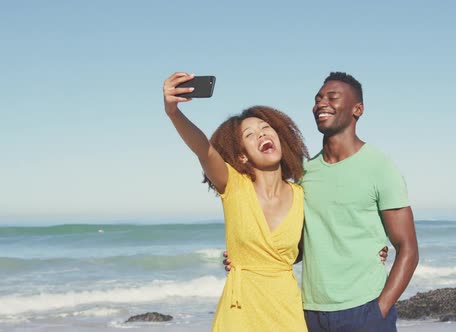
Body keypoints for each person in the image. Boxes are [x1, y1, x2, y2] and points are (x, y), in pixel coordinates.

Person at [226, 72, 419, 331]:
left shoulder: (380, 167)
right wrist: (249, 256)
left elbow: (408, 248)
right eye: (317, 99)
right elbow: (305, 245)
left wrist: (379, 310)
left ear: (357, 109)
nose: (321, 104)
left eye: (332, 97)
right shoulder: (305, 174)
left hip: (365, 307)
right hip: (310, 313)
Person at [162, 72, 310, 332]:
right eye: (250, 135)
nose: (262, 135)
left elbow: (314, 246)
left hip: (287, 312)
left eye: (266, 129)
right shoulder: (234, 186)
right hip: (240, 313)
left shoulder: (301, 195)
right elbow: (204, 149)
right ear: (241, 156)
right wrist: (173, 112)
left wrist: (374, 248)